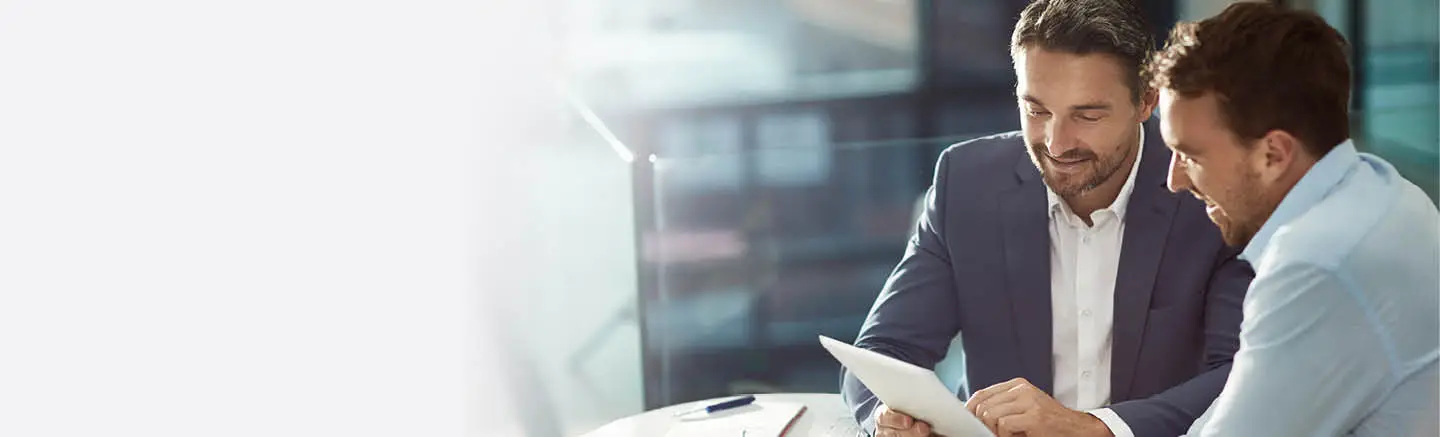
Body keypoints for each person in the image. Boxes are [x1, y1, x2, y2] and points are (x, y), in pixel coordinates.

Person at [841, 0, 1254, 436]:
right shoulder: (965, 185)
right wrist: (891, 417)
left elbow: (1240, 373)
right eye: (1036, 110)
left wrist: (1094, 428)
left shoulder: (1205, 192)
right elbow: (883, 351)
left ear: (1146, 101)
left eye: (1087, 114)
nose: (1056, 143)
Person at [1147, 3, 1440, 436]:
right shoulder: (1383, 191)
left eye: (1190, 155)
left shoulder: (1318, 264)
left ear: (1274, 155)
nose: (1174, 180)